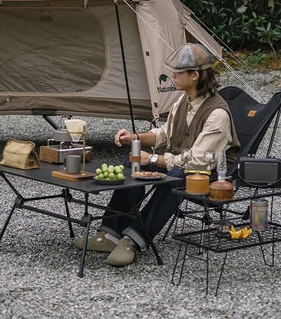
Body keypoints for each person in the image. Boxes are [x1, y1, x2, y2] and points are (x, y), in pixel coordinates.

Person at [75, 43, 240, 267]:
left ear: (194, 76)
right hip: (179, 164)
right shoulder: (183, 100)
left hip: (209, 174)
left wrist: (152, 159)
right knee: (132, 161)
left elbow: (197, 160)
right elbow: (165, 135)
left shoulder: (217, 114)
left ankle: (135, 238)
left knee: (179, 176)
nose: (172, 75)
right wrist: (136, 138)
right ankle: (111, 231)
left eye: (178, 72)